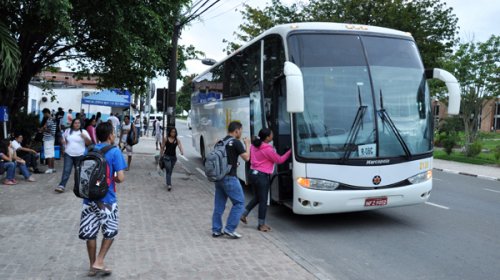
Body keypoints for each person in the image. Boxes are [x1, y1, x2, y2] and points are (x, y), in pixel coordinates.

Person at [79, 122, 126, 277]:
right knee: (110, 232)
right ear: (111, 135)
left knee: (90, 233)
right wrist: (111, 179)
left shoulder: (89, 149)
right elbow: (120, 177)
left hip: (88, 199)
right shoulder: (115, 151)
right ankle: (99, 261)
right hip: (107, 200)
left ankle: (93, 267)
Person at [240, 128, 291, 232]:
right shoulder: (267, 149)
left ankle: (243, 214)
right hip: (261, 176)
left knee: (258, 197)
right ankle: (261, 225)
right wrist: (290, 151)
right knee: (263, 200)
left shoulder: (254, 145)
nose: (273, 135)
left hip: (253, 173)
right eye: (272, 134)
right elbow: (280, 160)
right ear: (267, 137)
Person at [211, 121, 251, 239]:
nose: (241, 133)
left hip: (219, 178)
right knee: (239, 203)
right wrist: (247, 144)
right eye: (241, 131)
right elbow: (247, 158)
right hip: (230, 178)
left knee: (219, 205)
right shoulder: (236, 142)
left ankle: (216, 230)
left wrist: (234, 163)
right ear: (237, 130)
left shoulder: (220, 142)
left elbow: (226, 159)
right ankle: (229, 228)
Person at [55, 118, 91, 193]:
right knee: (66, 170)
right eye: (75, 123)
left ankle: (78, 186)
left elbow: (89, 143)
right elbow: (63, 139)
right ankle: (62, 185)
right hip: (68, 154)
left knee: (79, 171)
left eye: (78, 123)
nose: (77, 124)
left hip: (80, 154)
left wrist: (85, 137)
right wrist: (62, 142)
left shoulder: (84, 132)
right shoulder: (68, 131)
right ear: (72, 124)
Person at [161, 127, 184, 191]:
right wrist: (161, 155)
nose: (173, 133)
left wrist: (181, 151)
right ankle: (169, 185)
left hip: (173, 158)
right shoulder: (166, 139)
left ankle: (168, 181)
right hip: (166, 157)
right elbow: (162, 146)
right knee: (168, 169)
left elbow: (180, 145)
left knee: (169, 171)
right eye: (172, 132)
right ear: (169, 132)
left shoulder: (177, 140)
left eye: (174, 132)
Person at [40, 108, 57, 173]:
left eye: (44, 114)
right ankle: (52, 168)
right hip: (52, 138)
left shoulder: (49, 120)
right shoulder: (53, 119)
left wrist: (42, 129)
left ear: (46, 113)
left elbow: (48, 130)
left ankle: (50, 168)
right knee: (52, 154)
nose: (43, 115)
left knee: (48, 154)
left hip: (48, 139)